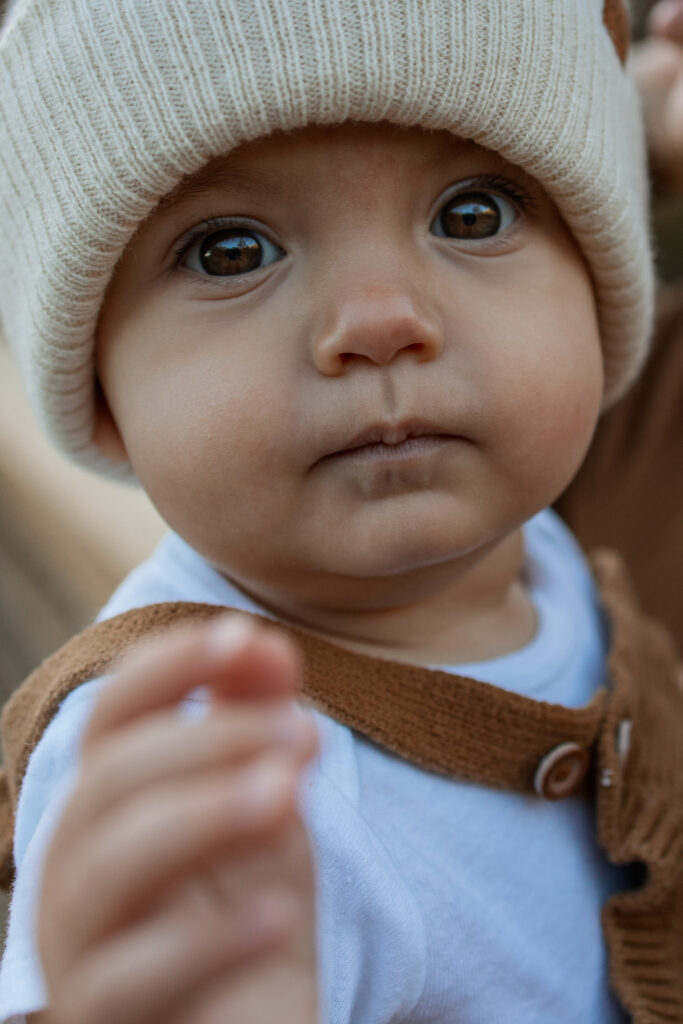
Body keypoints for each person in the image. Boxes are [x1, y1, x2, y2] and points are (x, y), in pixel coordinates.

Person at [0, 1, 680, 1023]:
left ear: (596, 288)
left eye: (471, 214)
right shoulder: (216, 774)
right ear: (99, 392)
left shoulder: (533, 532)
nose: (378, 320)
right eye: (230, 251)